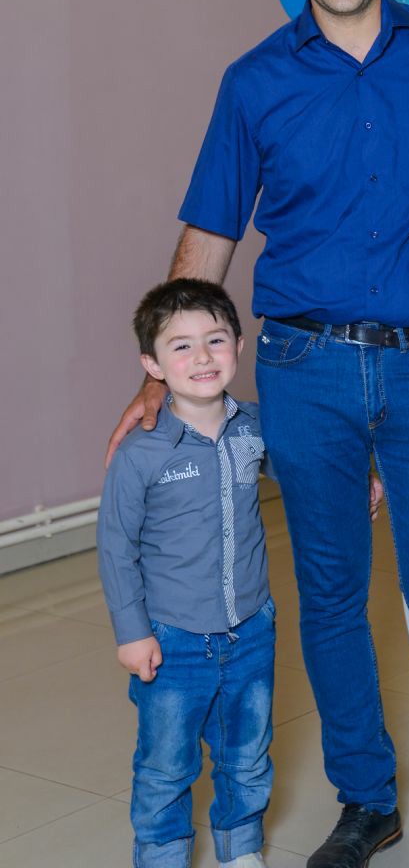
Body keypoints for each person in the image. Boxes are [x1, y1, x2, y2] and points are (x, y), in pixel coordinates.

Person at [106, 0, 409, 868]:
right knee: (333, 597)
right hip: (304, 371)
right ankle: (365, 798)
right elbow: (210, 236)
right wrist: (153, 377)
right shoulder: (254, 81)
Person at [98, 279, 274, 868]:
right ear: (151, 366)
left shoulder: (255, 427)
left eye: (215, 340)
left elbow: (308, 470)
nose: (202, 357)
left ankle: (240, 849)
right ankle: (163, 855)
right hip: (172, 639)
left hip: (251, 630)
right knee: (166, 765)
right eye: (181, 346)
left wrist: (360, 480)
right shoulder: (141, 453)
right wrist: (132, 633)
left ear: (239, 346)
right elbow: (116, 547)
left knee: (247, 755)